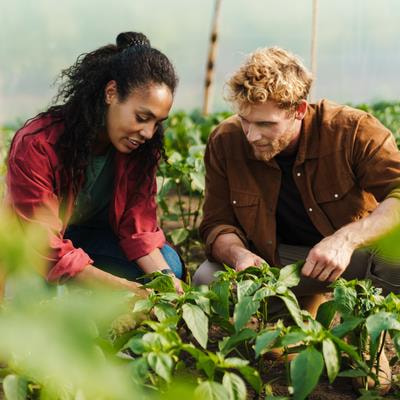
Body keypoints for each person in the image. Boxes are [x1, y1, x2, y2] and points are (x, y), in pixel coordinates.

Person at [194, 46, 400, 300]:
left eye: (266, 124)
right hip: (280, 261)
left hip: (353, 258)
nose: (252, 135)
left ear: (299, 110)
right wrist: (239, 254)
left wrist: (345, 239)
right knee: (207, 277)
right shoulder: (226, 141)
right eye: (245, 120)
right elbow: (217, 222)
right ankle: (292, 319)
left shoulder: (352, 131)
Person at [6, 32, 184, 295]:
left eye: (157, 122)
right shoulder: (38, 145)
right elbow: (45, 246)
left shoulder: (140, 150)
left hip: (94, 242)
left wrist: (168, 281)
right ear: (111, 93)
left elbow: (138, 228)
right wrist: (125, 289)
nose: (147, 132)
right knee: (32, 289)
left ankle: (88, 289)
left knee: (169, 265)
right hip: (38, 250)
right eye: (141, 117)